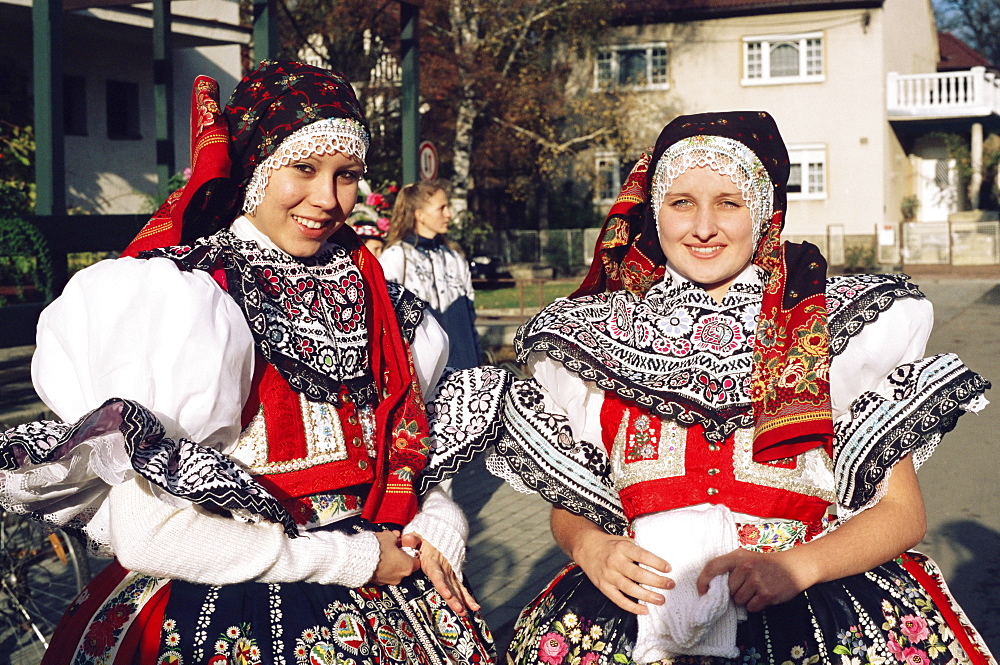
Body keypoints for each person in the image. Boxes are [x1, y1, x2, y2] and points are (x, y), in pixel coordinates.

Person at [425, 111, 995, 664]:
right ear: (655, 212)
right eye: (681, 203)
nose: (702, 227)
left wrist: (798, 568)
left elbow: (901, 513)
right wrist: (590, 548)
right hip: (629, 623)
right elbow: (574, 503)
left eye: (729, 203)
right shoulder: (596, 341)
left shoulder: (836, 331)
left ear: (765, 213)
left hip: (809, 611)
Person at [0, 61, 494, 664]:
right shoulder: (190, 297)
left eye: (347, 175)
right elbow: (146, 531)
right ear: (257, 171)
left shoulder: (388, 304)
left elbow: (414, 452)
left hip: (392, 594)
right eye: (304, 168)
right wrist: (350, 559)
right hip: (235, 607)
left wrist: (441, 518)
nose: (327, 199)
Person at [380, 180, 483, 370]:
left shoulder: (456, 259)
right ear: (420, 215)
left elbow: (470, 320)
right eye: (441, 208)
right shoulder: (395, 259)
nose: (448, 214)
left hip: (465, 374)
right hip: (422, 378)